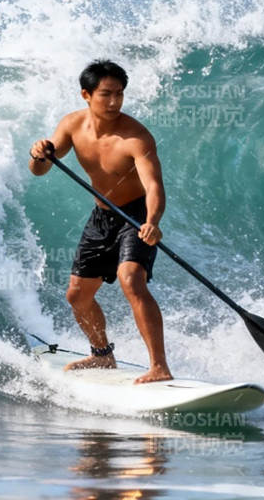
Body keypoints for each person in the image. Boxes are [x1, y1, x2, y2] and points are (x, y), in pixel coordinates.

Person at [28, 60, 172, 384]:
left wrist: (152, 221)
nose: (114, 102)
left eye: (119, 94)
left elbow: (153, 187)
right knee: (77, 296)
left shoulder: (136, 137)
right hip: (102, 216)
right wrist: (39, 153)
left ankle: (159, 366)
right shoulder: (71, 126)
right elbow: (39, 169)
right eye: (106, 94)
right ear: (86, 94)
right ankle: (102, 355)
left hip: (136, 215)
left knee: (131, 280)